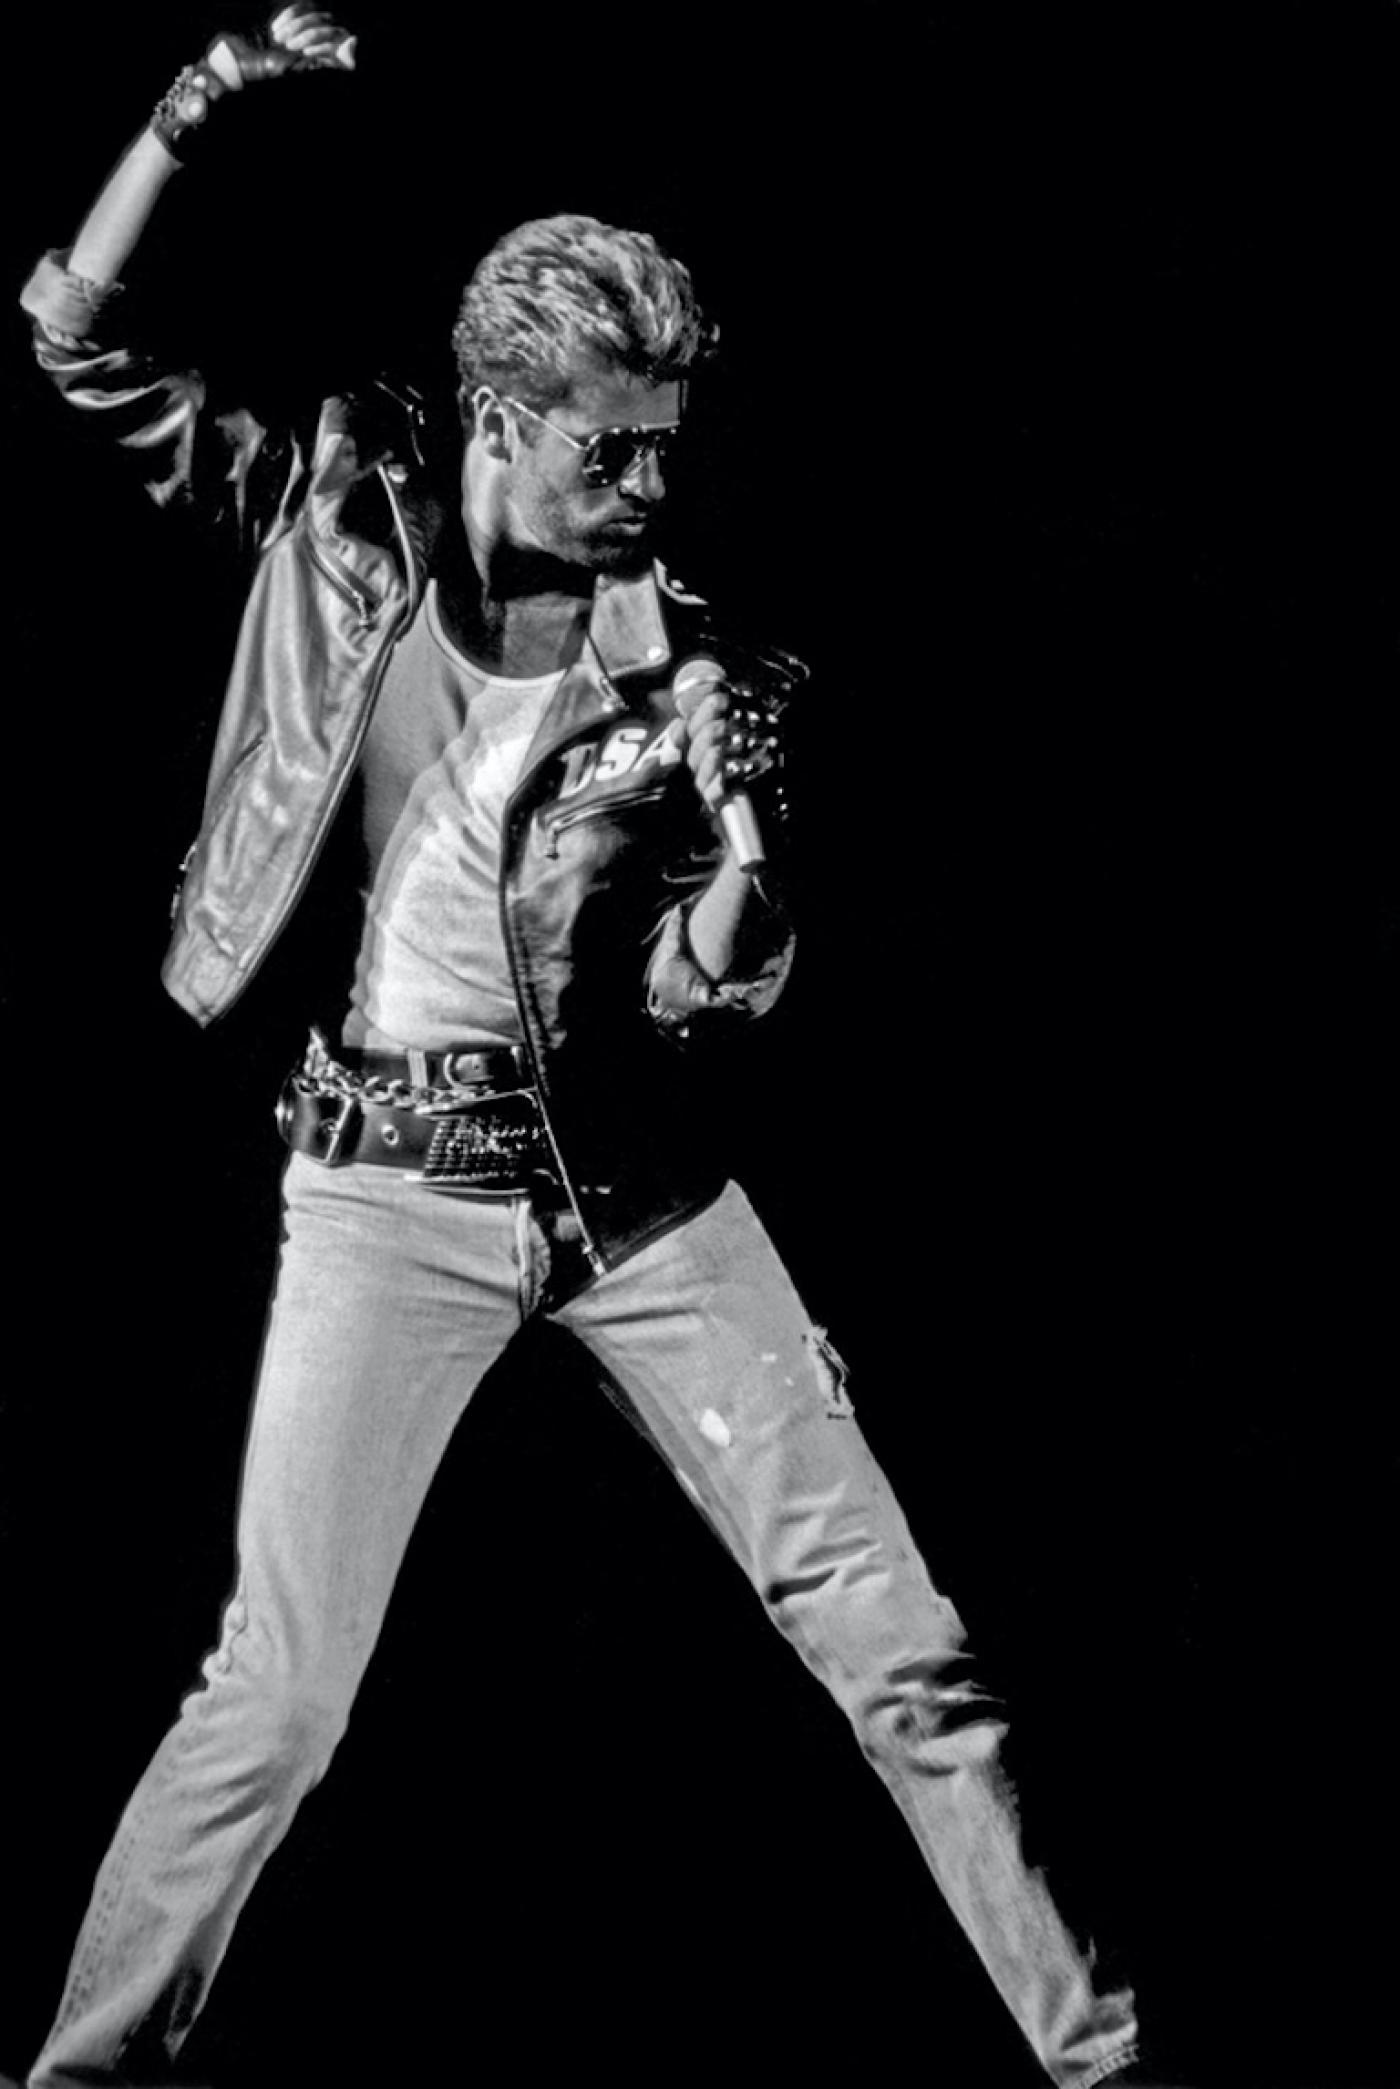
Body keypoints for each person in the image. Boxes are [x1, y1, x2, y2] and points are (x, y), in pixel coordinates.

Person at [17, 12, 1162, 2087]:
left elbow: (709, 993)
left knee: (909, 1657)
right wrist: (194, 108)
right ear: (495, 416)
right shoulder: (337, 525)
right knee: (275, 1702)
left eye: (667, 444)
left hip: (630, 1192)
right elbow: (77, 345)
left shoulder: (690, 652)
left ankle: (1109, 2064)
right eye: (607, 447)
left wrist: (751, 831)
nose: (650, 486)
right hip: (386, 1190)